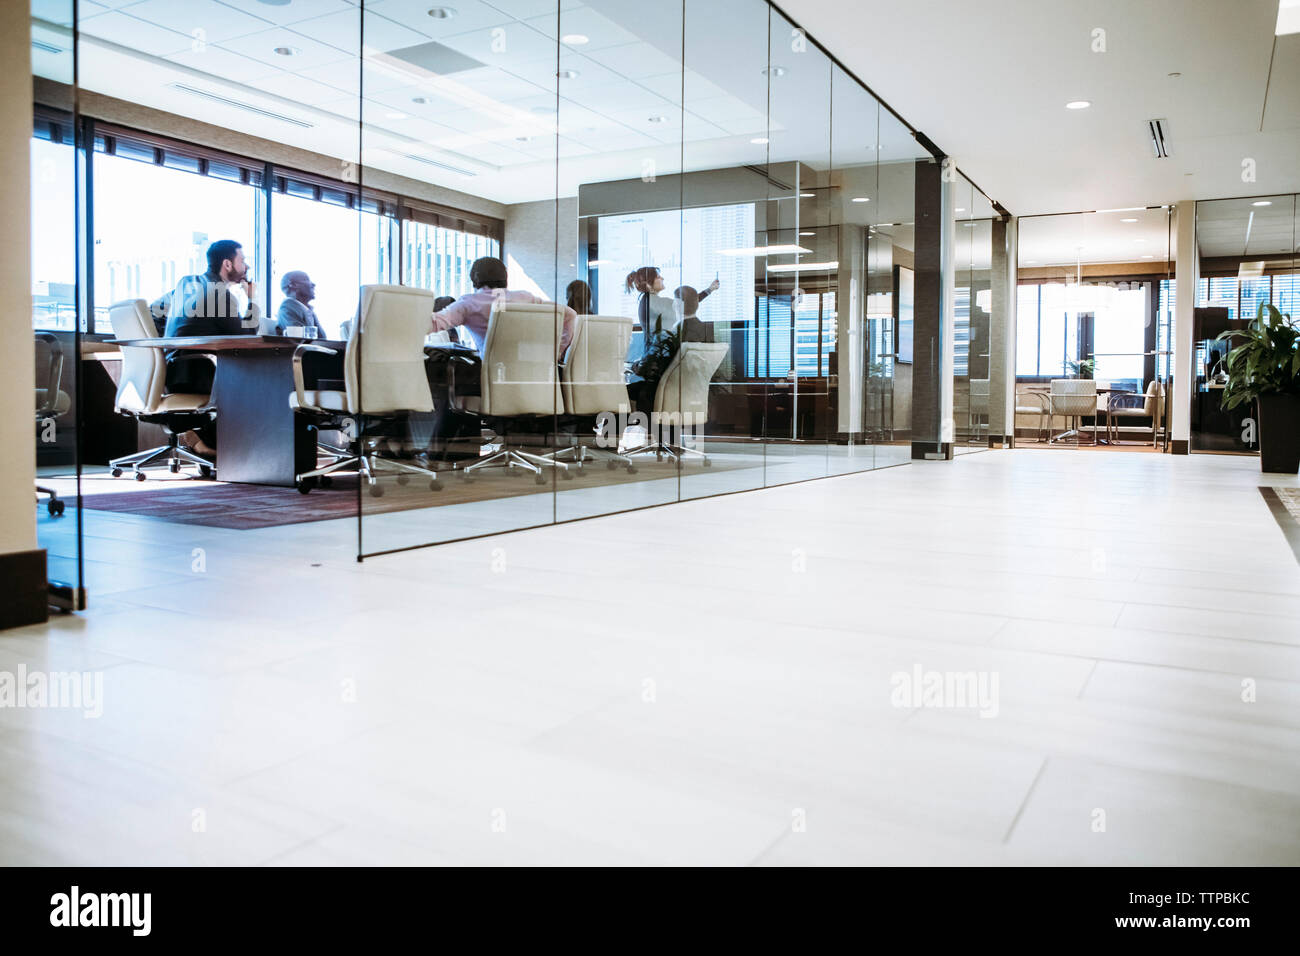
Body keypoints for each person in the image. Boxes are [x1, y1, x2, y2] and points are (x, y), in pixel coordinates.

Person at [149, 239, 260, 455]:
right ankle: (217, 443)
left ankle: (207, 438)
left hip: (170, 372)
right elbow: (246, 339)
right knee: (261, 383)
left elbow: (152, 314)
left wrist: (172, 344)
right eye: (243, 261)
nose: (246, 267)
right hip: (196, 376)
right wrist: (252, 300)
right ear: (227, 264)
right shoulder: (219, 294)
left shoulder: (186, 283)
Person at [430, 256, 575, 358]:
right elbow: (570, 315)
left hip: (492, 379)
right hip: (534, 377)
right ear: (505, 277)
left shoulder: (469, 304)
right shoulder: (525, 298)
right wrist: (558, 352)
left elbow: (433, 323)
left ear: (474, 279)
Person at [625, 266, 719, 411]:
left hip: (654, 365)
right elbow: (686, 304)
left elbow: (686, 304)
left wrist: (709, 290)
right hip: (655, 367)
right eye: (658, 277)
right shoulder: (653, 302)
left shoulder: (649, 301)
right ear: (649, 284)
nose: (662, 278)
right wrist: (708, 290)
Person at [276, 271, 323, 335]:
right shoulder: (287, 307)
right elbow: (300, 340)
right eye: (307, 280)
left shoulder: (306, 309)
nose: (313, 284)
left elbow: (322, 338)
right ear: (294, 285)